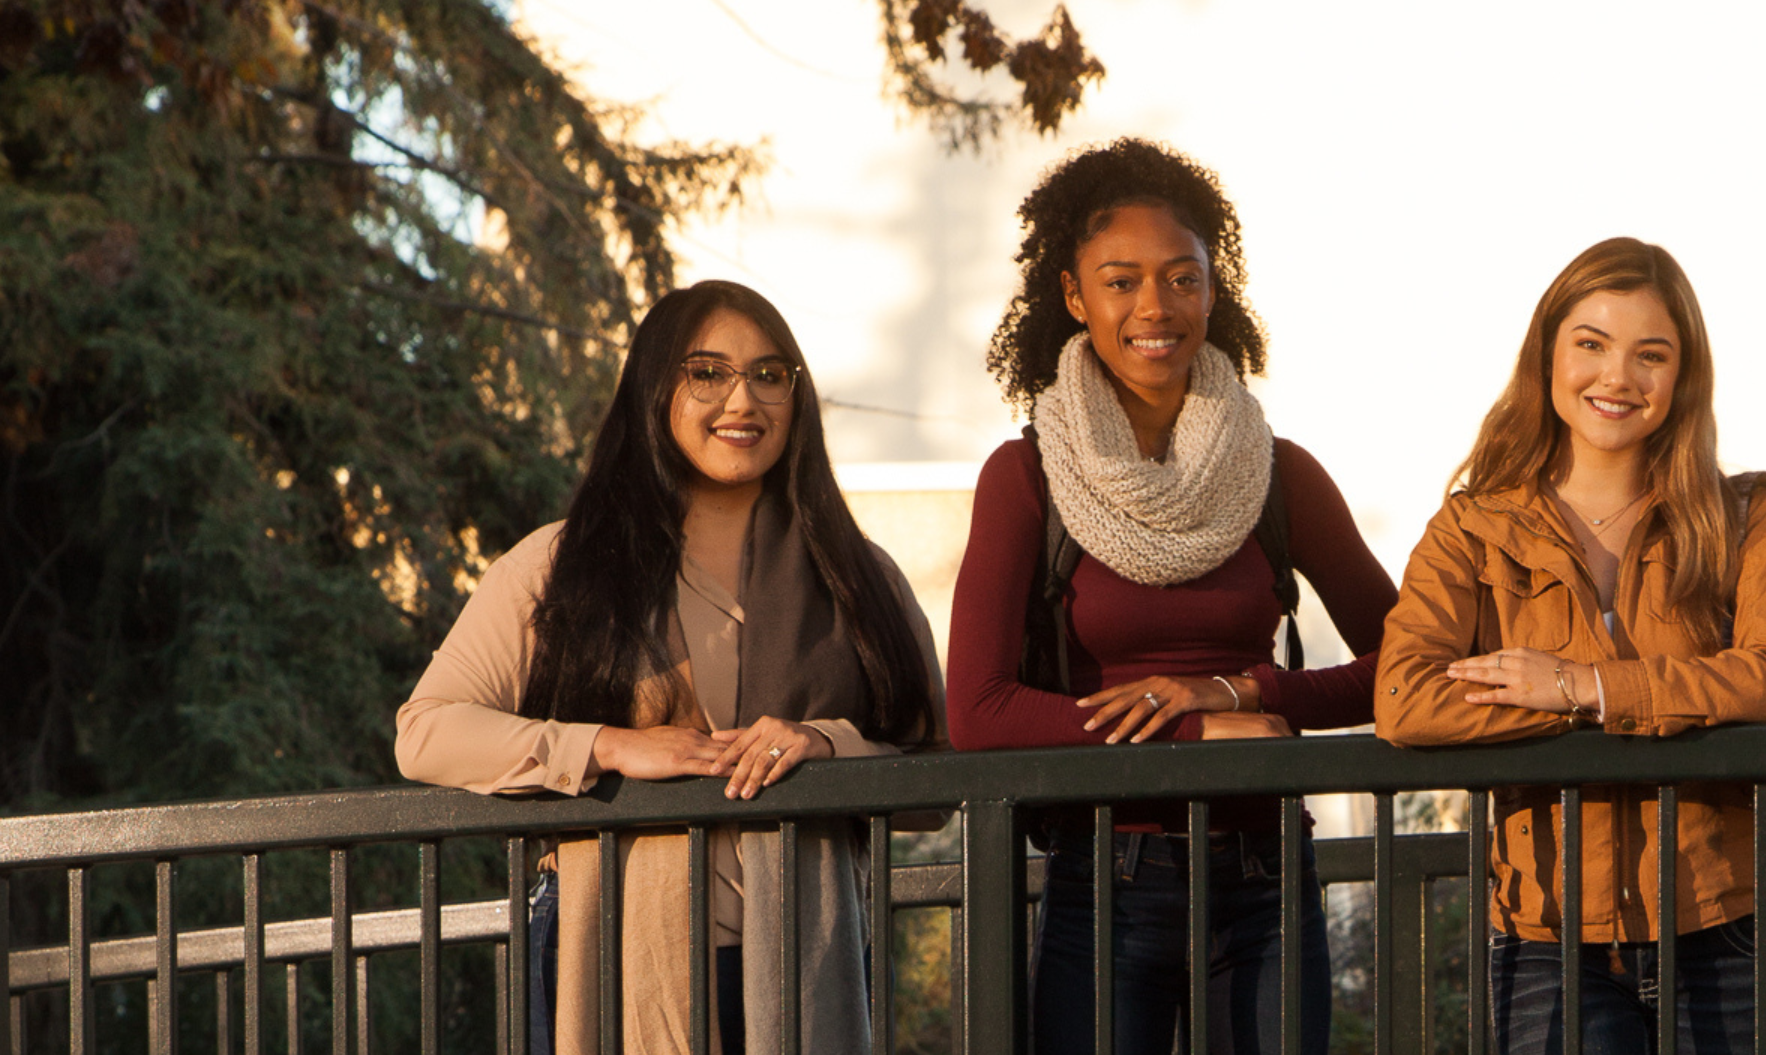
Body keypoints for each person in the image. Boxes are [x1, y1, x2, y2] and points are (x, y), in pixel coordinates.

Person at [397, 280, 942, 1055]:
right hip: (612, 956)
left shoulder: (857, 573)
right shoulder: (563, 563)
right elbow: (426, 731)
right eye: (708, 372)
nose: (741, 399)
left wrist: (828, 747)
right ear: (656, 388)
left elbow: (933, 778)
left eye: (769, 373)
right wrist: (609, 746)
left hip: (802, 961)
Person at [944, 138, 1396, 1055]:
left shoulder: (1281, 475)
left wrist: (1252, 696)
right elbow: (977, 710)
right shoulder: (1025, 477)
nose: (1155, 306)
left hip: (1270, 872)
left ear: (1211, 291)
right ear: (1074, 296)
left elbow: (1411, 669)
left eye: (1181, 277)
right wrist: (1192, 734)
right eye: (1121, 281)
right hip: (1106, 877)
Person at [1375, 237, 1766, 1055]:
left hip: (1729, 927)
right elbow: (1405, 697)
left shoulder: (1745, 516)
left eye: (1650, 354)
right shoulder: (1472, 528)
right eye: (1591, 344)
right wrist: (1622, 702)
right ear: (1548, 353)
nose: (1617, 377)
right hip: (1545, 938)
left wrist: (1587, 688)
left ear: (1683, 376)